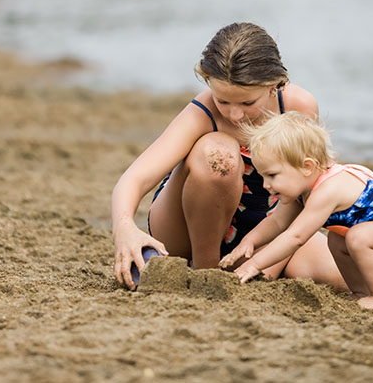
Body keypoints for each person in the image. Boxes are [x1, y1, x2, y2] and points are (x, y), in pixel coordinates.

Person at [111, 22, 348, 291]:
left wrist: (269, 261)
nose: (234, 115)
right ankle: (205, 270)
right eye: (223, 100)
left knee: (338, 278)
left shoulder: (297, 107)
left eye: (248, 103)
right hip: (185, 230)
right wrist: (124, 227)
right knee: (219, 156)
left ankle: (237, 268)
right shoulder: (203, 113)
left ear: (274, 85)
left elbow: (306, 191)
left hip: (262, 225)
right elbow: (135, 178)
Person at [219, 112, 373, 312]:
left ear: (307, 166)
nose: (266, 185)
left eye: (273, 175)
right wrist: (250, 242)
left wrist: (254, 265)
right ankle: (361, 292)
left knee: (358, 238)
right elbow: (277, 223)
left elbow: (295, 237)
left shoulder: (328, 190)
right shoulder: (302, 189)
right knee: (336, 238)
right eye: (263, 176)